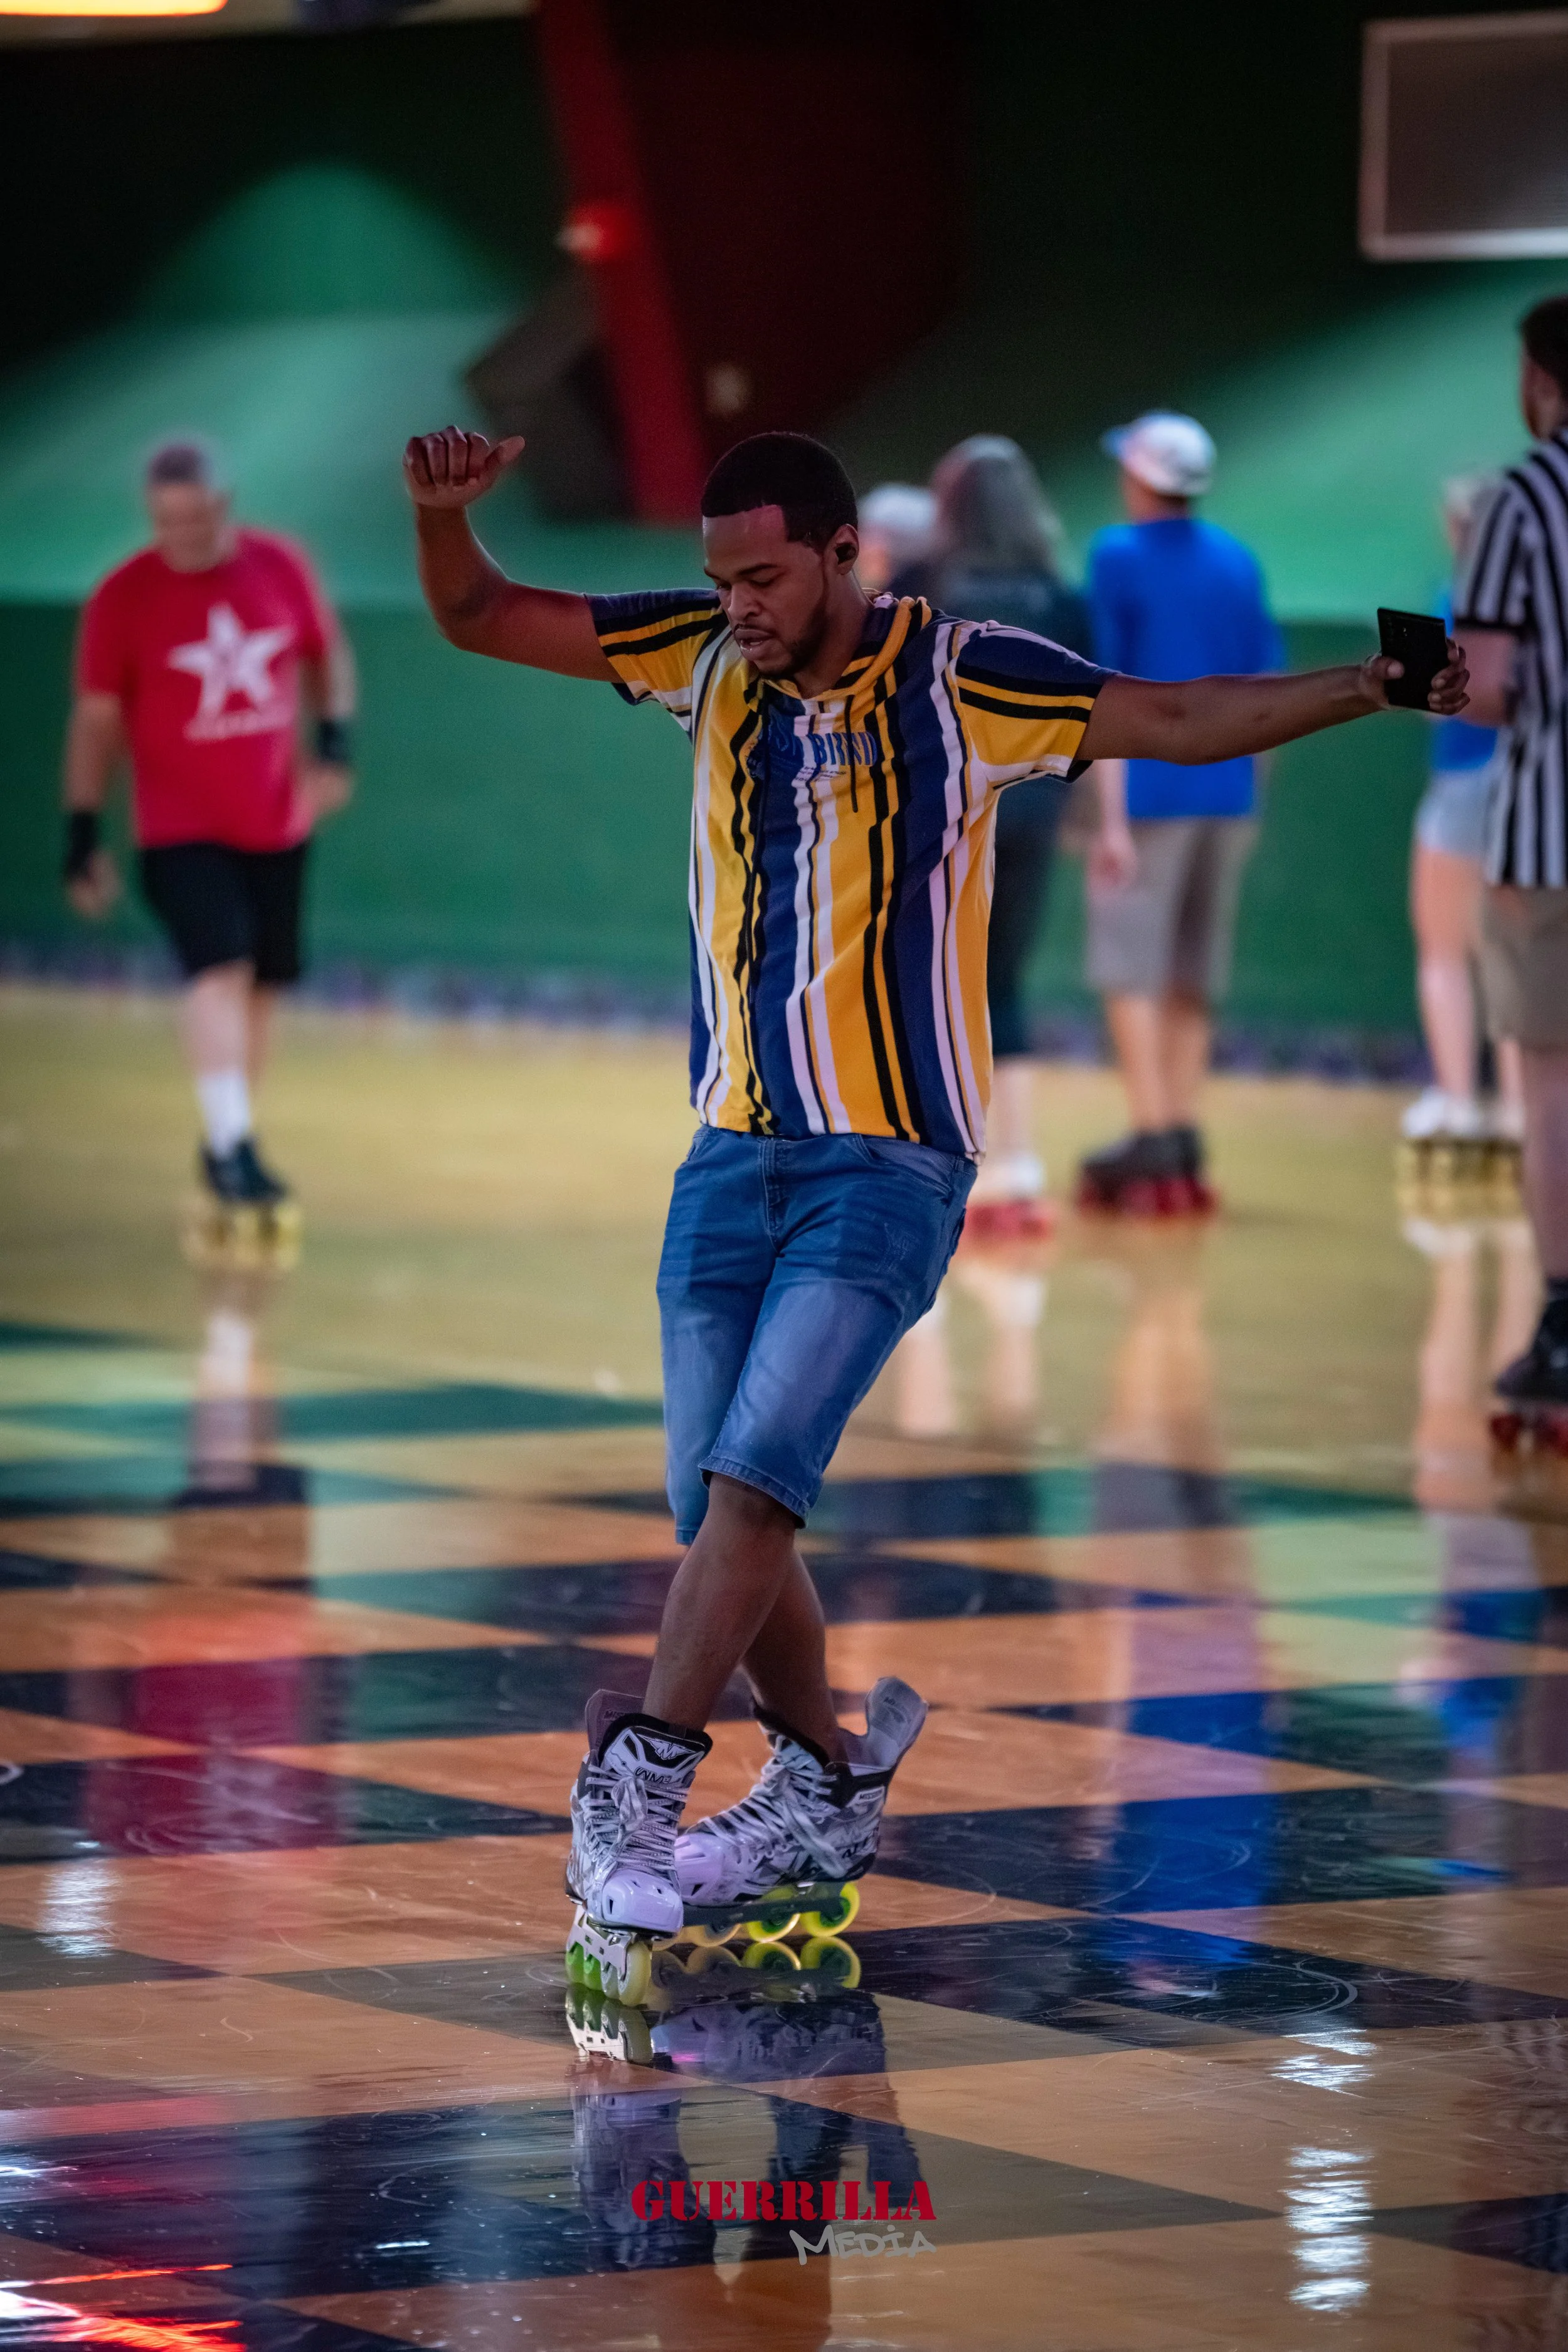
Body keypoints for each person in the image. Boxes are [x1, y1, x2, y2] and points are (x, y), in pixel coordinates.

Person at [402, 420, 1465, 1972]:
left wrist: (1365, 685)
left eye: (763, 574)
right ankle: (826, 1778)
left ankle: (632, 1789)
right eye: (722, 578)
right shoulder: (695, 656)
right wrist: (441, 517)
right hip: (726, 1155)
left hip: (891, 1161)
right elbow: (482, 612)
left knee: (762, 1480)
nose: (740, 603)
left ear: (847, 552)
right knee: (713, 1507)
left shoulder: (966, 675)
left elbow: (1172, 718)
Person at [63, 439, 356, 1230]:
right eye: (164, 521)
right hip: (178, 828)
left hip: (276, 818)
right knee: (217, 965)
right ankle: (230, 1147)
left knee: (263, 980)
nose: (180, 535)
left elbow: (327, 657)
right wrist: (82, 825)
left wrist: (334, 741)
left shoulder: (280, 566)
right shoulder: (121, 597)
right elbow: (96, 719)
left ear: (223, 505)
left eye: (193, 518)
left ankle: (232, 1137)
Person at [1079, 411, 1285, 1214]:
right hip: (1228, 794)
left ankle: (1151, 1131)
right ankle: (1183, 1136)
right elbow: (1266, 691)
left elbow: (1107, 690)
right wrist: (1250, 793)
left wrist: (1112, 823)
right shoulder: (1237, 561)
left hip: (1152, 793)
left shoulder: (1115, 555)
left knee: (1130, 965)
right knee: (1193, 969)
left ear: (1140, 478)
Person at [892, 435, 1095, 1234]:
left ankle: (925, 1150)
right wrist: (1101, 825)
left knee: (925, 978)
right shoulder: (1061, 597)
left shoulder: (920, 587)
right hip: (1033, 811)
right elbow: (1097, 720)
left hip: (940, 811)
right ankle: (1014, 1162)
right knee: (1001, 979)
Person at [1452, 292, 1568, 1420]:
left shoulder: (1522, 498)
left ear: (1541, 379)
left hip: (1550, 837)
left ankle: (1565, 1322)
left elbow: (1487, 687)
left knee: (1552, 1084)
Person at [1402, 474, 1525, 1168]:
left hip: (1461, 791)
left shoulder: (1450, 603)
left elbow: (1430, 702)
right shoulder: (1543, 605)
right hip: (1528, 794)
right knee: (1508, 955)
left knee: (1445, 949)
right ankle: (1515, 1111)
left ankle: (1456, 1103)